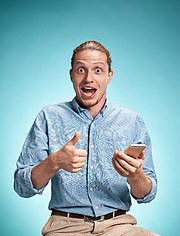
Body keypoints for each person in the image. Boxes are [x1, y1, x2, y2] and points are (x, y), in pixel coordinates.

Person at [14, 41, 159, 236]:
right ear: (71, 75)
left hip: (119, 227)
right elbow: (21, 187)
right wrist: (54, 162)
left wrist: (135, 175)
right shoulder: (49, 116)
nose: (89, 78)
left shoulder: (132, 121)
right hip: (65, 228)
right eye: (81, 69)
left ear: (109, 76)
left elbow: (147, 195)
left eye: (98, 70)